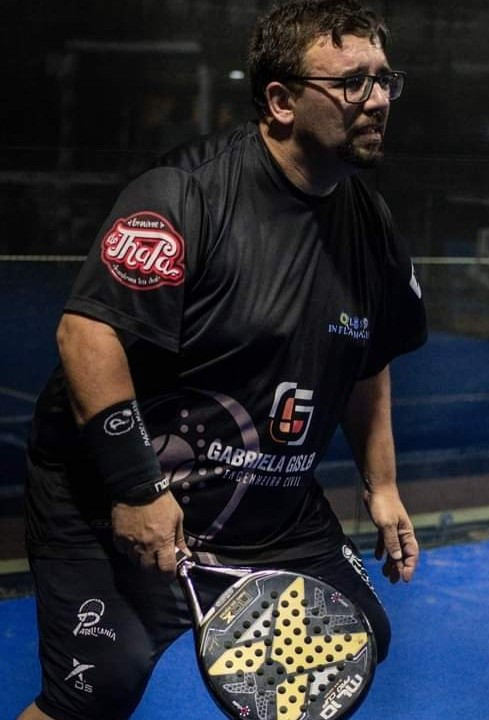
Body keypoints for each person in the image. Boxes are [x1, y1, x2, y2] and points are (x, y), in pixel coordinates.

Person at [19, 2, 426, 719]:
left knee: (353, 640)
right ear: (281, 101)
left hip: (267, 506)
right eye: (352, 83)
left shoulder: (371, 225)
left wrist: (383, 485)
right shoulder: (185, 194)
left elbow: (368, 357)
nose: (378, 99)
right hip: (118, 492)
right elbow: (87, 337)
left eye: (384, 79)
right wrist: (137, 490)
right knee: (97, 691)